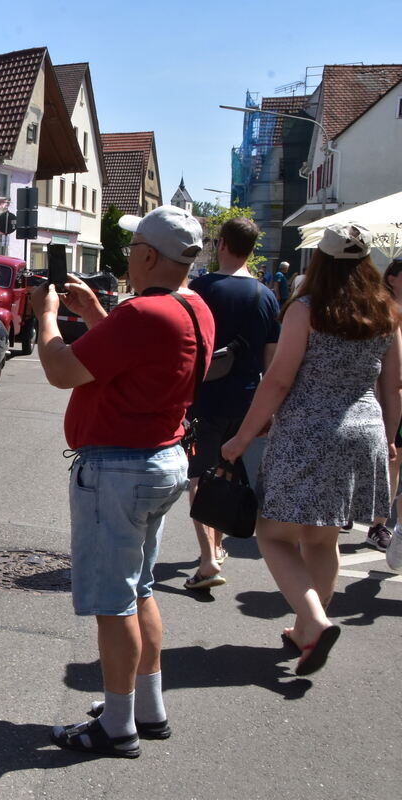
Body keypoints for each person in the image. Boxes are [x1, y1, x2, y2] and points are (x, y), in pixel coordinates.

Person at [32, 205, 212, 758]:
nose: (127, 255)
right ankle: (146, 708)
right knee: (140, 589)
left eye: (133, 247)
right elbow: (136, 360)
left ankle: (117, 726)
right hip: (160, 459)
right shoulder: (193, 306)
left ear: (149, 256)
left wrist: (45, 317)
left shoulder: (143, 313)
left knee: (114, 603)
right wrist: (95, 314)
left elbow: (62, 370)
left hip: (118, 469)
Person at [221, 222, 401, 676]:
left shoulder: (307, 309)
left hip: (308, 433)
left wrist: (242, 438)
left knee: (274, 535)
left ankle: (315, 622)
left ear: (320, 260)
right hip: (364, 432)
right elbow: (393, 386)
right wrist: (389, 438)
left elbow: (279, 380)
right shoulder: (387, 311)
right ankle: (305, 631)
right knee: (322, 540)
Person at [183, 217, 281, 590]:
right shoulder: (266, 296)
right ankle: (218, 545)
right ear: (252, 249)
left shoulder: (201, 288)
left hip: (204, 397)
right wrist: (268, 410)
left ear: (222, 243)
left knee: (198, 474)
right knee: (226, 472)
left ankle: (208, 559)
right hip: (247, 402)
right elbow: (272, 363)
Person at [365, 258, 402, 552]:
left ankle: (380, 524)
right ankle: (365, 517)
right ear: (392, 278)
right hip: (382, 396)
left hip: (395, 394)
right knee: (387, 458)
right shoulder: (381, 309)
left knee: (395, 460)